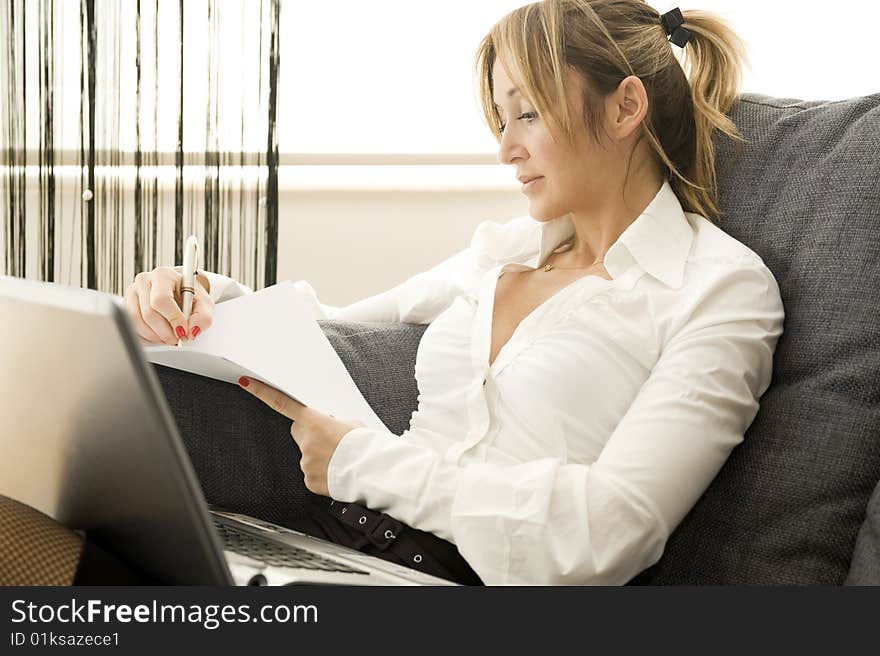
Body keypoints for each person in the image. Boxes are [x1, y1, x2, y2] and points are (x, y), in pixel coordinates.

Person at [124, 0, 784, 586]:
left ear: (625, 107)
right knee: (41, 539)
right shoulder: (499, 254)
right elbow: (326, 325)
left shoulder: (719, 288)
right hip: (342, 549)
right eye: (501, 120)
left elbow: (608, 531)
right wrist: (200, 296)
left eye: (526, 113)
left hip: (448, 578)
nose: (506, 149)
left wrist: (362, 463)